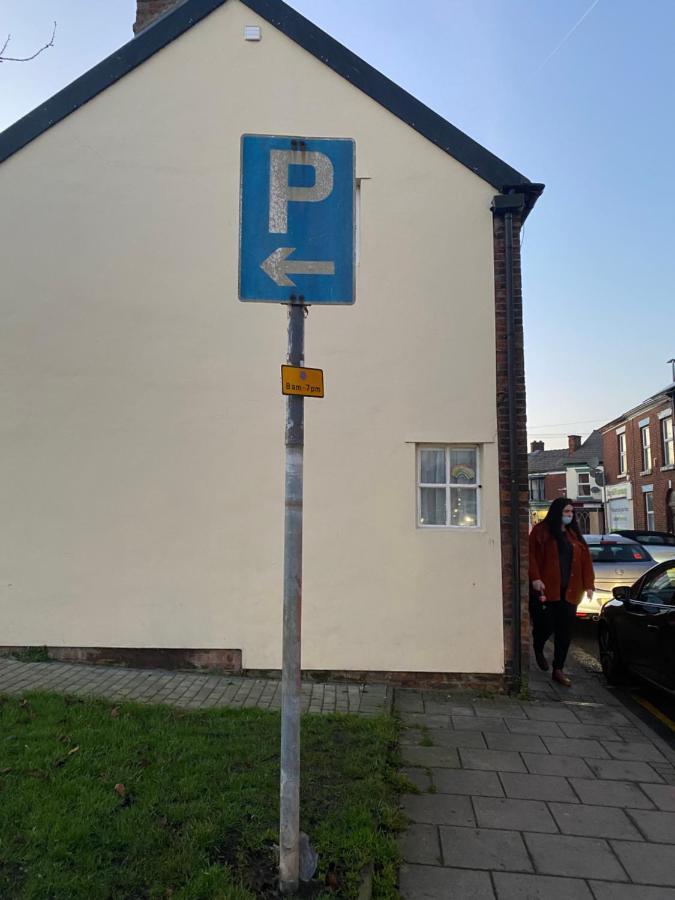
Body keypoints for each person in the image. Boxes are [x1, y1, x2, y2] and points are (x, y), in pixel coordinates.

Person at [529, 497, 595, 687]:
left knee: (565, 632)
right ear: (557, 512)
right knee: (546, 625)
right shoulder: (541, 532)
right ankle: (538, 645)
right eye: (566, 512)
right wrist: (536, 578)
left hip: (571, 590)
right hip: (547, 589)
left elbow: (585, 561)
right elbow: (531, 556)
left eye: (571, 512)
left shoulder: (574, 535)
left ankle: (558, 669)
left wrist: (589, 584)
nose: (569, 515)